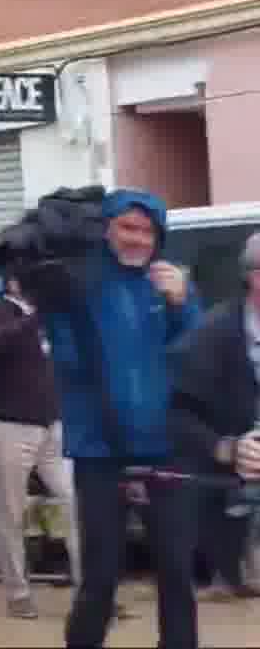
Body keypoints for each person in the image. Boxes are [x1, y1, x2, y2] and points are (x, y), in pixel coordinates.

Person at [33, 189, 201, 649]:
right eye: (127, 227)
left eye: (147, 231)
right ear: (106, 230)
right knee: (101, 576)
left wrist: (182, 304)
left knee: (176, 572)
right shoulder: (79, 285)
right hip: (100, 453)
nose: (137, 239)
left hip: (166, 450)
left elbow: (198, 358)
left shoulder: (171, 284)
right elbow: (66, 359)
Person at [0, 270, 81, 619]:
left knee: (74, 501)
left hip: (52, 425)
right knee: (9, 511)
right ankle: (17, 593)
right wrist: (33, 320)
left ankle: (92, 590)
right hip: (10, 427)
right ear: (13, 280)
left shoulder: (51, 314)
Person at [171, 232, 260, 600]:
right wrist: (226, 448)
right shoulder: (212, 333)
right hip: (238, 499)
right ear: (255, 276)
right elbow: (177, 412)